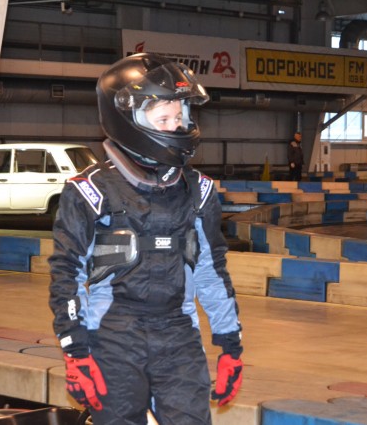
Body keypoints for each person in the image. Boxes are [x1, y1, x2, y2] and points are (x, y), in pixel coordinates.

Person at [48, 53, 243, 425]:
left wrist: (230, 343)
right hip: (112, 338)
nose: (176, 127)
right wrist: (75, 350)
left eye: (180, 118)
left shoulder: (199, 190)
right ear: (126, 119)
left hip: (179, 335)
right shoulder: (89, 191)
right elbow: (66, 275)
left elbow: (211, 271)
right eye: (164, 120)